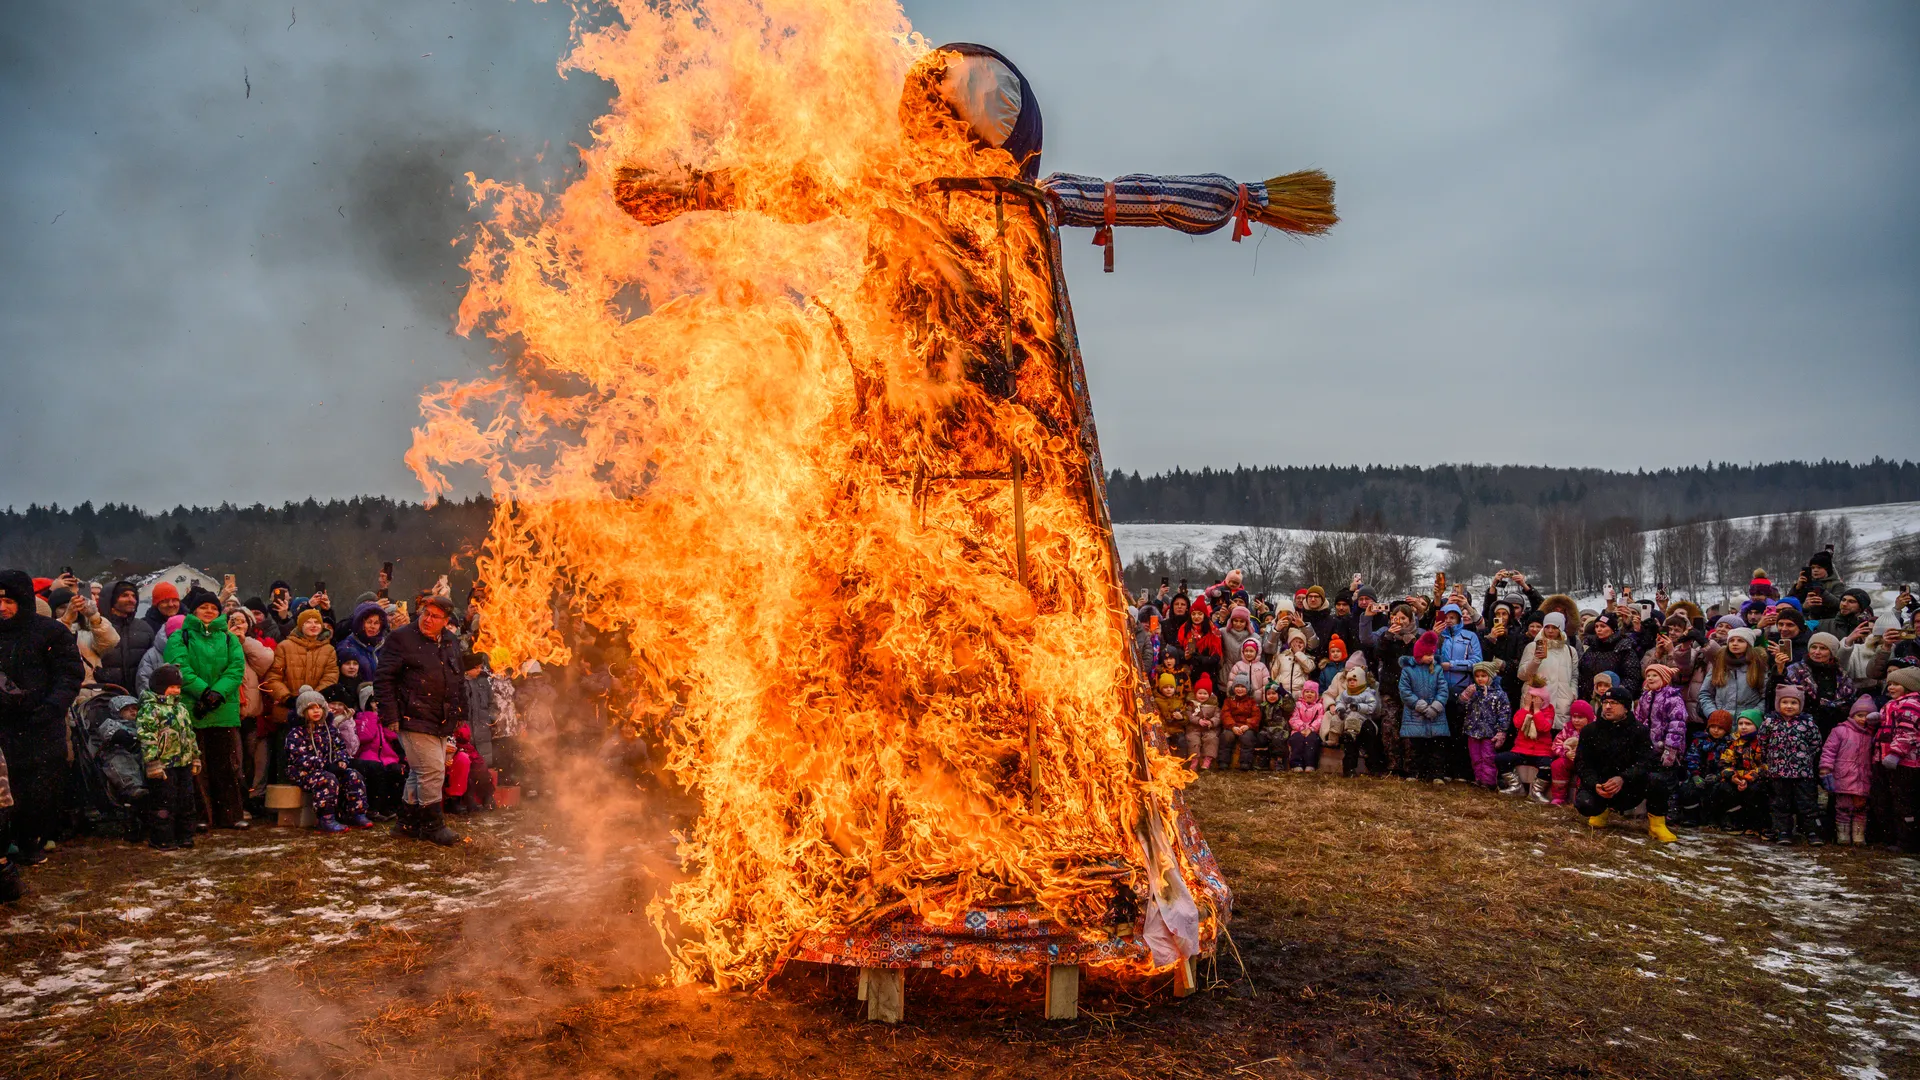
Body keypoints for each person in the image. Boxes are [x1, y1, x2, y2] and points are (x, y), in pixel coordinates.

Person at [0, 570, 85, 866]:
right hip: (4, 726)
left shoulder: (50, 632)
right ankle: (6, 842)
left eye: (9, 601)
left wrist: (52, 707)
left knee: (40, 788)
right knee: (6, 787)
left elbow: (70, 673)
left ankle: (31, 841)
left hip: (41, 723)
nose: (2, 608)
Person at [373, 595, 468, 844]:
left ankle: (406, 824)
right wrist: (389, 714)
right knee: (432, 770)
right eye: (426, 613)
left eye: (435, 616)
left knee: (420, 771)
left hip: (440, 716)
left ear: (446, 621)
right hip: (411, 714)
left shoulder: (450, 641)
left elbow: (458, 680)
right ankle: (433, 825)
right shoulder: (401, 638)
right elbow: (383, 679)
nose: (428, 619)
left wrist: (461, 712)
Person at [163, 587, 249, 829]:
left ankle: (231, 815)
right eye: (204, 607)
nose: (209, 611)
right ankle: (202, 817)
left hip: (223, 710)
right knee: (197, 767)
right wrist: (203, 692)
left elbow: (236, 668)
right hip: (193, 709)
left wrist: (217, 694)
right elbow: (179, 667)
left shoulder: (229, 638)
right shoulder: (180, 637)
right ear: (194, 611)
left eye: (213, 608)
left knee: (227, 766)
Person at [1577, 687, 1676, 843]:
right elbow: (1582, 763)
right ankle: (1599, 812)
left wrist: (1623, 778)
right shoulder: (1590, 731)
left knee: (1657, 780)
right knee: (1585, 804)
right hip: (1602, 785)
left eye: (1614, 703)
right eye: (1605, 702)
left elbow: (1646, 762)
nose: (1608, 706)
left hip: (1629, 787)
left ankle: (1657, 825)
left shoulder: (1639, 731)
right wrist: (1594, 784)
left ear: (1626, 707)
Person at [260, 609, 339, 803]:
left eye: (316, 622)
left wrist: (313, 699)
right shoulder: (285, 646)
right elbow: (273, 677)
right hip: (287, 711)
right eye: (308, 622)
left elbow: (330, 677)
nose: (313, 625)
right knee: (285, 756)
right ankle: (283, 803)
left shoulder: (328, 649)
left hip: (315, 711)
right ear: (300, 625)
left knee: (314, 758)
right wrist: (288, 698)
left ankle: (313, 802)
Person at [283, 687, 372, 833]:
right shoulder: (296, 733)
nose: (316, 711)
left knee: (352, 775)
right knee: (327, 779)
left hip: (328, 767)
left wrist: (341, 761)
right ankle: (326, 818)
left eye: (319, 707)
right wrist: (326, 765)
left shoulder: (329, 729)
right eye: (311, 708)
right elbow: (299, 758)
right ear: (302, 711)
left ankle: (356, 813)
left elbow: (340, 747)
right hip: (303, 772)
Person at [135, 665, 200, 849]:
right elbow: (147, 736)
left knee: (186, 799)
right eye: (171, 686)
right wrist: (153, 762)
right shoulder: (150, 709)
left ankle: (185, 835)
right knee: (164, 801)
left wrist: (195, 756)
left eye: (178, 687)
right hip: (163, 764)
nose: (176, 691)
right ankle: (162, 837)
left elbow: (189, 734)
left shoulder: (181, 708)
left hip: (183, 762)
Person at [1757, 684, 1823, 845]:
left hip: (1802, 772)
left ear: (1800, 705)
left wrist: (1804, 757)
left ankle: (1812, 831)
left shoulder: (1807, 723)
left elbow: (1815, 743)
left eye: (1793, 703)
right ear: (1778, 704)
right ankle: (1783, 831)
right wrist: (1771, 759)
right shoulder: (1770, 722)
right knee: (1780, 804)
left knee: (1806, 803)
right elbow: (1762, 742)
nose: (1789, 706)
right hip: (1778, 772)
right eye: (1785, 702)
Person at [1874, 666, 1920, 852]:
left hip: (1905, 762)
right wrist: (1878, 718)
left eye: (1897, 684)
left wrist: (1895, 753)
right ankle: (1891, 836)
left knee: (1904, 802)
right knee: (1887, 799)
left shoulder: (1911, 704)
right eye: (1890, 683)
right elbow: (1891, 723)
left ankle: (1906, 841)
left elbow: (1908, 732)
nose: (1891, 687)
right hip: (1885, 759)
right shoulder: (1894, 703)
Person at [1821, 696, 1877, 846]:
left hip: (1863, 777)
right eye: (1860, 715)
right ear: (1852, 715)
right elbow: (1829, 751)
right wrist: (1826, 768)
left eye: (1867, 716)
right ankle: (1843, 835)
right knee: (1843, 808)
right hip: (1843, 777)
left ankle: (1859, 836)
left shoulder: (1872, 735)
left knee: (1861, 808)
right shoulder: (1840, 731)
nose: (1863, 719)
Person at [1398, 631, 1450, 783]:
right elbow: (1405, 692)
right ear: (1419, 654)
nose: (1431, 657)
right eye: (1428, 654)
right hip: (1415, 715)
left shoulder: (1438, 670)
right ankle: (1414, 773)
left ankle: (1436, 774)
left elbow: (1443, 690)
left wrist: (1435, 707)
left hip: (1436, 715)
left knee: (1436, 748)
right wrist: (1420, 706)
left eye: (1432, 654)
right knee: (1415, 748)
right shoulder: (1407, 670)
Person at [1784, 632, 1856, 737]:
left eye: (1823, 648)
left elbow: (1848, 699)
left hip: (1834, 728)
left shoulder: (1841, 674)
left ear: (1832, 653)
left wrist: (1833, 710)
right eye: (1814, 647)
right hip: (1801, 727)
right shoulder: (1795, 671)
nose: (1817, 652)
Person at [350, 685, 405, 820]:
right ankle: (374, 808)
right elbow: (365, 736)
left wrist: (386, 720)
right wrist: (371, 716)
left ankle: (391, 807)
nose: (377, 705)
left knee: (397, 771)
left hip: (387, 757)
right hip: (368, 756)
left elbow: (392, 736)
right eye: (374, 701)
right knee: (377, 772)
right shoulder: (362, 718)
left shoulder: (383, 720)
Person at [1494, 680, 1554, 799]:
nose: (1532, 701)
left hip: (1541, 751)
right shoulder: (1524, 710)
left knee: (1548, 765)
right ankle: (1516, 786)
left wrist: (1537, 711)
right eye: (1530, 697)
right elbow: (1517, 723)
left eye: (1536, 699)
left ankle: (1537, 792)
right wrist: (1526, 707)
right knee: (1501, 758)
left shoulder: (1549, 710)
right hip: (1521, 750)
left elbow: (1544, 727)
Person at [1711, 710, 1768, 834]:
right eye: (1740, 723)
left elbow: (1766, 765)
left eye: (1748, 724)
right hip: (1737, 778)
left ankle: (1757, 825)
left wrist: (1748, 778)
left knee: (1756, 790)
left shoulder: (1764, 742)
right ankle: (1734, 822)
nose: (1743, 727)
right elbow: (1725, 762)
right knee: (1724, 787)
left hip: (1756, 778)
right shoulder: (1733, 741)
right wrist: (1732, 776)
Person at [1518, 610, 1579, 724]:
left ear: (1560, 629)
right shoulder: (1532, 647)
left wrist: (1573, 693)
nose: (1550, 631)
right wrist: (1536, 660)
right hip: (1536, 703)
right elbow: (1522, 675)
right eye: (1547, 627)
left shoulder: (1570, 651)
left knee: (1558, 740)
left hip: (1562, 705)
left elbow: (1574, 676)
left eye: (1555, 627)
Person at [1459, 660, 1512, 791]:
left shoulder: (1499, 694)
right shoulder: (1473, 692)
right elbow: (1462, 708)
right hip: (1473, 730)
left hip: (1490, 732)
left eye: (1483, 676)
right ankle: (1479, 779)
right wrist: (1465, 696)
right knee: (1475, 757)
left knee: (1488, 757)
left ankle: (1489, 782)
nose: (1480, 679)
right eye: (1477, 676)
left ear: (1490, 676)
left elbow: (1504, 713)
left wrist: (1501, 731)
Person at [1676, 710, 1734, 826]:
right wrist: (1695, 774)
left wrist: (1718, 776)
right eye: (1713, 727)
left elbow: (1730, 764)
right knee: (1688, 789)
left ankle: (1716, 818)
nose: (1716, 730)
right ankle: (1691, 817)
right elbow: (1692, 758)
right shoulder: (1699, 741)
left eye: (1720, 728)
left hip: (1719, 777)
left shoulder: (1730, 744)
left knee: (1720, 791)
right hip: (1699, 774)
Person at [94, 581, 155, 693]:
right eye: (125, 595)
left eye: (133, 596)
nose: (131, 600)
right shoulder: (97, 627)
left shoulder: (144, 628)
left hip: (138, 695)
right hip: (103, 696)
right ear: (111, 599)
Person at [1326, 665, 1379, 777]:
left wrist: (1359, 707)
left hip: (1362, 720)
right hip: (1348, 718)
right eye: (1349, 680)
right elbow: (1340, 701)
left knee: (1354, 717)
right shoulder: (1346, 693)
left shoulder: (1367, 693)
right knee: (1336, 718)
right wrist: (1340, 708)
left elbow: (1372, 706)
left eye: (1354, 680)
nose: (1351, 683)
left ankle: (1372, 767)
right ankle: (1333, 737)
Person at [1546, 700, 1593, 806]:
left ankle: (1580, 798)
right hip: (1569, 759)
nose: (1576, 720)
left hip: (1586, 762)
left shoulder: (1593, 730)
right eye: (1574, 717)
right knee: (1557, 765)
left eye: (1580, 718)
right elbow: (1556, 744)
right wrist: (1565, 753)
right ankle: (1559, 797)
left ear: (1588, 718)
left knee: (1586, 772)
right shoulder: (1568, 729)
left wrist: (1582, 755)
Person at [1219, 675, 1264, 771]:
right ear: (1233, 688)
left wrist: (1248, 725)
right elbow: (1225, 714)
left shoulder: (1252, 702)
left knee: (1247, 738)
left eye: (1243, 687)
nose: (1240, 689)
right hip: (1232, 726)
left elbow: (1256, 716)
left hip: (1246, 727)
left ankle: (1245, 762)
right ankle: (1223, 762)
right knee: (1227, 736)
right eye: (1237, 686)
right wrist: (1232, 726)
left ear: (1247, 689)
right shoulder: (1229, 701)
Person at [1151, 673, 1191, 760]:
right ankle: (1167, 762)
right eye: (1165, 687)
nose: (1169, 690)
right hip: (1163, 731)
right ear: (1161, 688)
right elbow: (1157, 718)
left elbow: (1186, 719)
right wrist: (1164, 731)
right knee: (1164, 744)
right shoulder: (1156, 701)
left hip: (1177, 729)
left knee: (1181, 741)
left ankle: (1181, 762)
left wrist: (1181, 718)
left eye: (1171, 687)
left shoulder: (1178, 701)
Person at [1286, 680, 1323, 772]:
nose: (1309, 694)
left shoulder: (1319, 706)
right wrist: (1302, 728)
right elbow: (1294, 718)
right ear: (1303, 693)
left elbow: (1320, 719)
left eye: (1312, 692)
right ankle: (1296, 764)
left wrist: (1311, 729)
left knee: (1312, 740)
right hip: (1298, 730)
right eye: (1307, 692)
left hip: (1312, 731)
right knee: (1297, 740)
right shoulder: (1298, 705)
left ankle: (1310, 764)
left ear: (1316, 694)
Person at [1186, 676, 1221, 770]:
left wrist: (1211, 722)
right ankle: (1194, 760)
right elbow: (1189, 715)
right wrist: (1198, 720)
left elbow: (1218, 717)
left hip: (1209, 728)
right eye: (1200, 693)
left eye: (1205, 693)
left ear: (1209, 694)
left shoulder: (1214, 705)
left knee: (1211, 739)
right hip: (1195, 728)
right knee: (1193, 740)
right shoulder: (1191, 704)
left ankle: (1207, 759)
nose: (1202, 696)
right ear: (1195, 693)